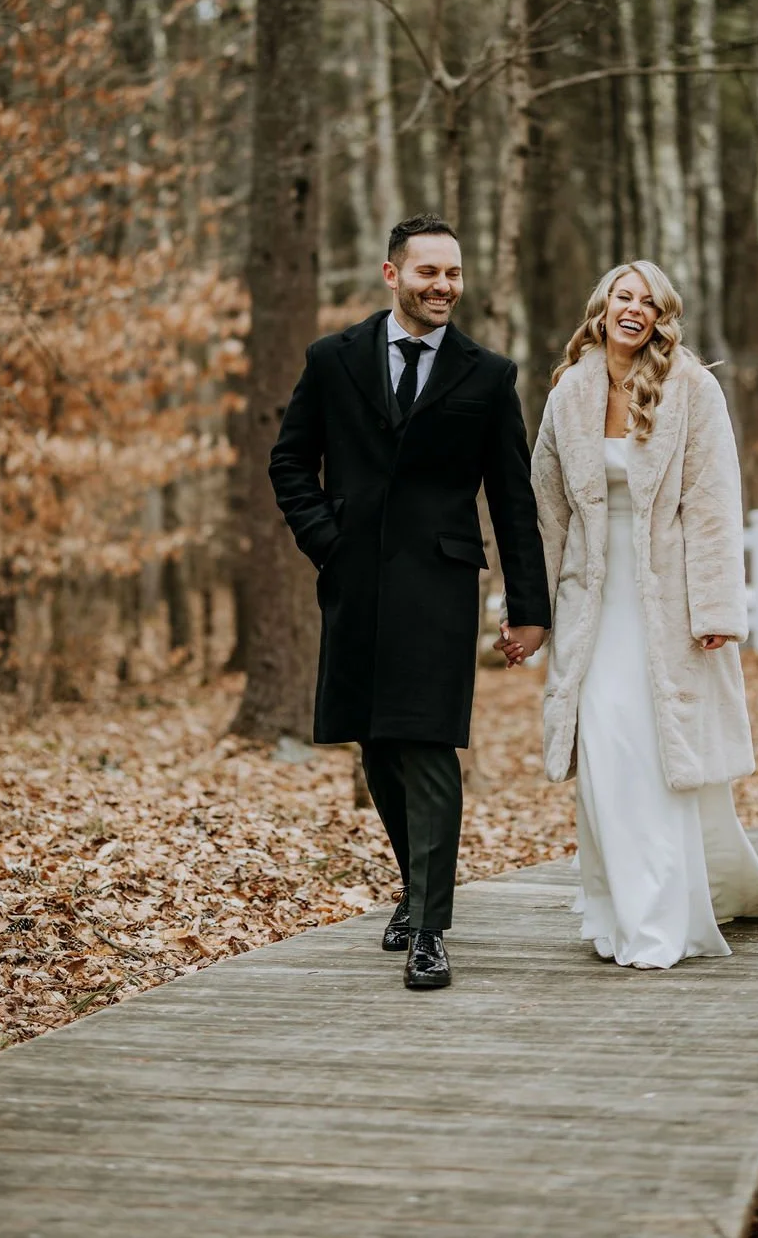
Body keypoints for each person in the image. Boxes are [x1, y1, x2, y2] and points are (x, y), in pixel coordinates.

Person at [499, 261, 758, 970]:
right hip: (590, 602)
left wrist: (717, 606)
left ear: (662, 315)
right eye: (624, 296)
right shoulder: (569, 390)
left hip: (671, 606)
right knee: (604, 755)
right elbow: (546, 509)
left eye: (648, 302)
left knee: (658, 760)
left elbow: (715, 505)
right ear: (601, 307)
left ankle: (661, 923)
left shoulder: (692, 387)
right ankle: (615, 915)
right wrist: (527, 609)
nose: (635, 309)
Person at [269, 213, 549, 989]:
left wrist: (529, 605)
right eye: (429, 272)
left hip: (441, 585)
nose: (444, 286)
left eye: (454, 273)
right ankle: (414, 889)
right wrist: (328, 540)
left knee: (427, 743)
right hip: (354, 583)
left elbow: (513, 496)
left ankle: (429, 926)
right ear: (393, 274)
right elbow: (290, 461)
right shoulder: (333, 359)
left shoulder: (487, 374)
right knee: (378, 744)